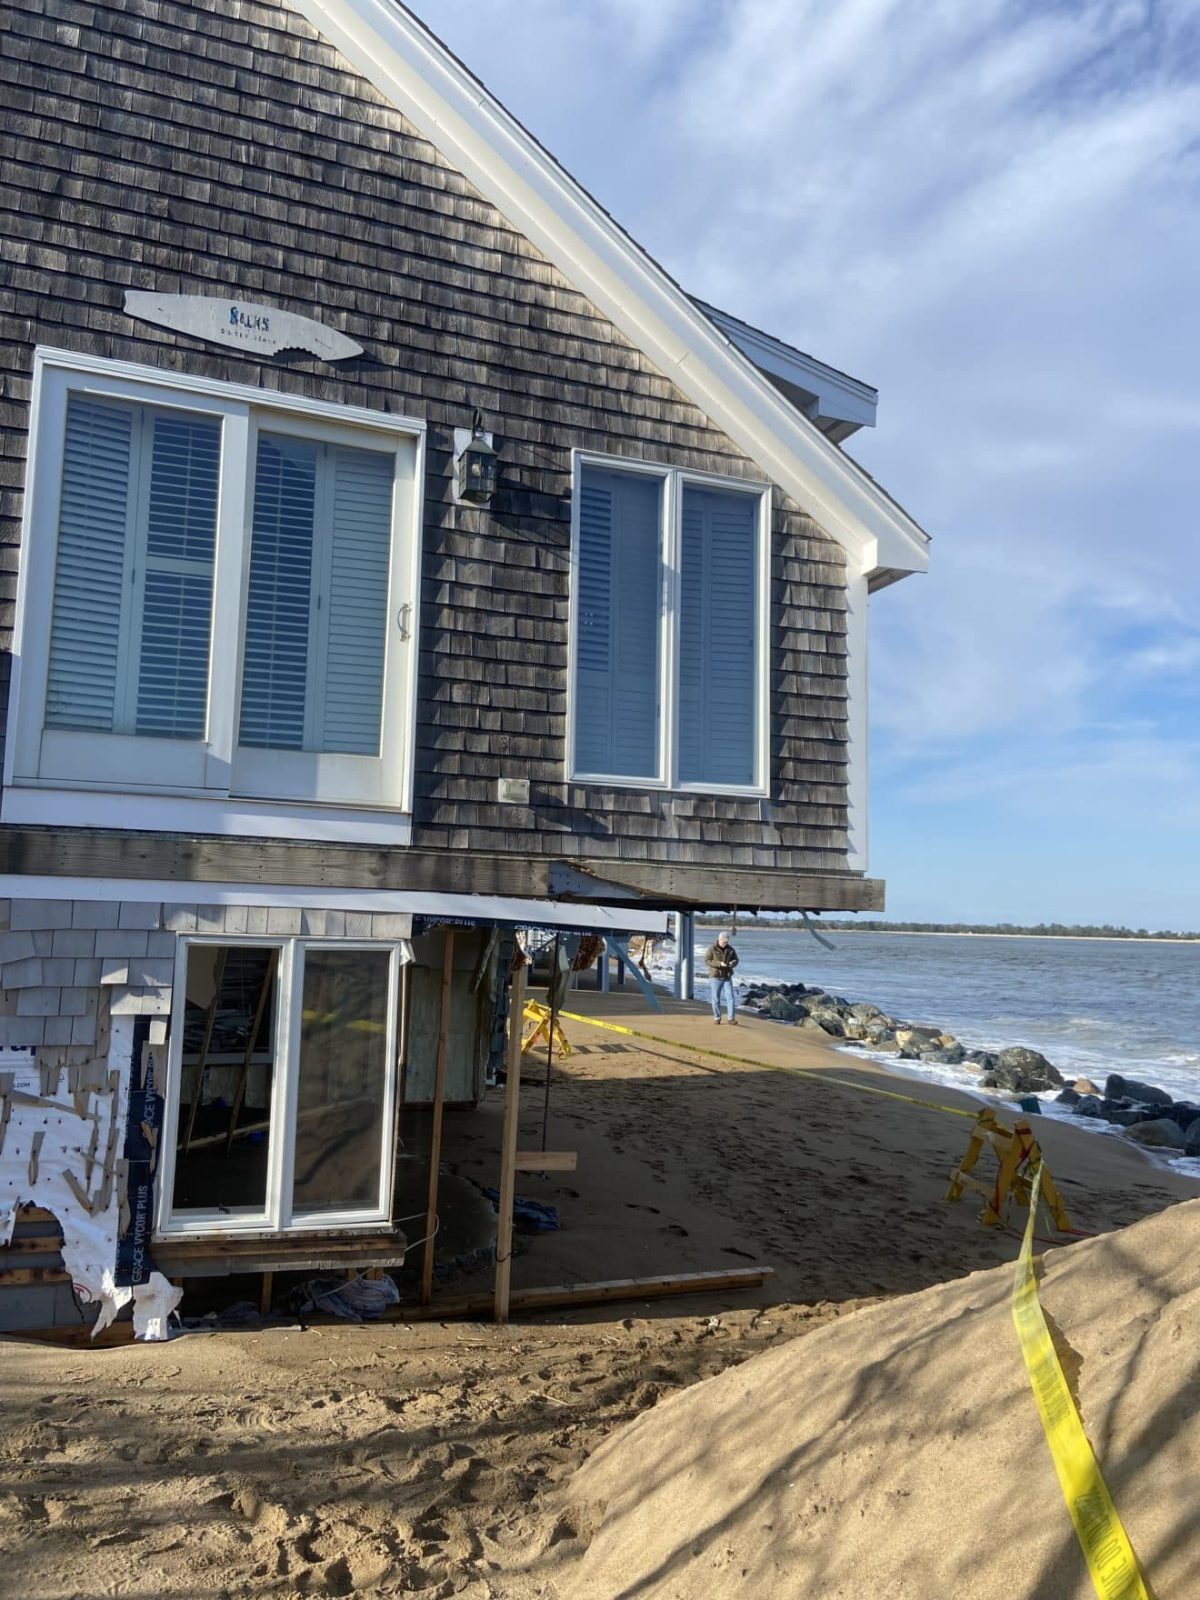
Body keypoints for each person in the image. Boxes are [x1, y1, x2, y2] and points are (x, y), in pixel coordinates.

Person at [704, 930, 739, 1024]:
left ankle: (731, 1018)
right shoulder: (712, 948)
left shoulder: (730, 949)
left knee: (730, 997)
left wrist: (732, 963)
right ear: (719, 940)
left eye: (727, 942)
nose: (725, 944)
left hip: (727, 976)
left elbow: (736, 960)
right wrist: (719, 964)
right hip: (715, 976)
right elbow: (707, 960)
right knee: (715, 998)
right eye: (724, 942)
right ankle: (717, 1018)